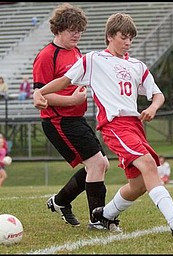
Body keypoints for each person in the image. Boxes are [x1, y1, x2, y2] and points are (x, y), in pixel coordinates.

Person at [33, 12, 173, 239]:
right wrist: (39, 91)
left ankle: (103, 216)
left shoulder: (137, 65)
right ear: (110, 36)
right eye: (123, 37)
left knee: (138, 184)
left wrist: (153, 107)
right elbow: (65, 80)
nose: (128, 42)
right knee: (148, 165)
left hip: (135, 126)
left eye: (131, 38)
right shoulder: (93, 59)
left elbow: (157, 94)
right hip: (115, 125)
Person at [32, 3, 110, 230]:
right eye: (72, 29)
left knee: (100, 164)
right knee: (96, 164)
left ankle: (60, 202)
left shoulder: (75, 52)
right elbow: (41, 95)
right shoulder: (47, 56)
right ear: (58, 29)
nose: (77, 34)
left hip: (76, 118)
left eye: (80, 30)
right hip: (58, 121)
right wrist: (72, 101)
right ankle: (98, 221)